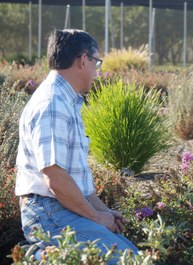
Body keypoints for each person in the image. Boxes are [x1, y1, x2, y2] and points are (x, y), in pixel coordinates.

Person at [15, 29, 138, 258]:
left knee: (132, 256)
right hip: (49, 213)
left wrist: (105, 212)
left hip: (60, 208)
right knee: (126, 260)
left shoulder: (66, 101)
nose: (97, 72)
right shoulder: (53, 104)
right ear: (83, 60)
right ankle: (42, 258)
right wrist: (97, 218)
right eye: (96, 62)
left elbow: (76, 184)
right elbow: (55, 178)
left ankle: (44, 257)